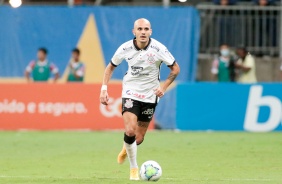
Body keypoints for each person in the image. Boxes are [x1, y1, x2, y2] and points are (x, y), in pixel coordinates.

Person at [99, 18, 180, 180]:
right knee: (129, 130)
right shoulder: (125, 48)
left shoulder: (159, 48)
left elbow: (175, 69)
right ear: (134, 32)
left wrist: (163, 88)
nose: (143, 32)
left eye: (146, 29)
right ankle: (134, 168)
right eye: (140, 29)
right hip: (130, 92)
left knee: (138, 137)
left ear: (151, 31)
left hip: (150, 95)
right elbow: (110, 68)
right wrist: (104, 89)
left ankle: (125, 147)